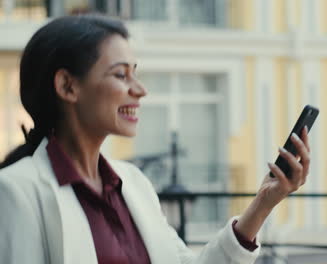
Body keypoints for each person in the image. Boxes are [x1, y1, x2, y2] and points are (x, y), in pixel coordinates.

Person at [0, 15, 311, 264]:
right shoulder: (17, 192)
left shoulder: (133, 184)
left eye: (135, 73)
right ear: (68, 86)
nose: (140, 90)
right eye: (121, 75)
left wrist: (262, 204)